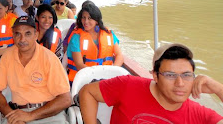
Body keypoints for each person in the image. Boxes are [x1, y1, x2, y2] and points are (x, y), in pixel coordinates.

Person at [78, 43, 223, 124]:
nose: (180, 83)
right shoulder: (128, 86)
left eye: (186, 75)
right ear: (155, 76)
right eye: (170, 75)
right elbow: (88, 92)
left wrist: (218, 89)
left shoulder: (197, 114)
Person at [0, 16, 71, 124]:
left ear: (35, 35)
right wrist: (10, 115)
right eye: (18, 34)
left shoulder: (49, 58)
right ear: (13, 35)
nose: (22, 39)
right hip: (18, 113)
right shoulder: (7, 56)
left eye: (28, 34)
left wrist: (30, 115)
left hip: (49, 114)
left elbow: (66, 99)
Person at [66, 4, 123, 84]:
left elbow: (119, 55)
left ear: (96, 20)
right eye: (83, 17)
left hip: (107, 77)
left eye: (89, 18)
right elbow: (79, 65)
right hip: (83, 79)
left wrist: (112, 72)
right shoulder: (76, 37)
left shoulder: (108, 34)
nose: (85, 21)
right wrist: (98, 77)